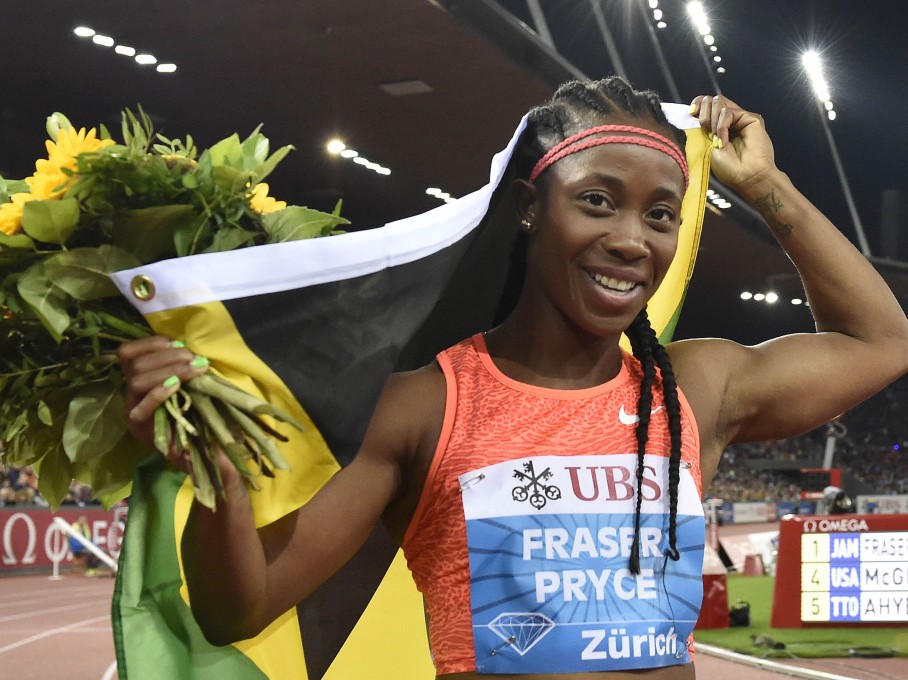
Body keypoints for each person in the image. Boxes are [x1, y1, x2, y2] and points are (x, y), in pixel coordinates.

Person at [118, 77, 908, 678]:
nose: (633, 240)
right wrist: (216, 475)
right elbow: (239, 607)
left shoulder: (696, 388)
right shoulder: (426, 408)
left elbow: (882, 341)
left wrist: (766, 190)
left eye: (660, 214)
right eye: (598, 201)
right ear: (530, 207)